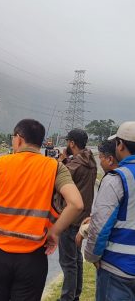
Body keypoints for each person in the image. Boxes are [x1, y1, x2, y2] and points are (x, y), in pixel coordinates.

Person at [0, 119, 84, 301]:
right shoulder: (55, 167)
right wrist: (54, 232)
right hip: (33, 256)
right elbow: (76, 204)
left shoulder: (0, 163)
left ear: (18, 139)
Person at [85, 122, 135, 300]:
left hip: (118, 269)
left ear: (120, 145)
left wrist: (92, 256)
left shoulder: (117, 178)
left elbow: (100, 226)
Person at [57, 128, 97, 301]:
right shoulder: (91, 161)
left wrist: (60, 161)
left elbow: (58, 179)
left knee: (68, 263)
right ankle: (75, 296)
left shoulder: (74, 164)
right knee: (76, 260)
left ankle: (67, 298)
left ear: (72, 143)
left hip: (70, 218)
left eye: (68, 141)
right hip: (82, 219)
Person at [75, 139, 118, 247]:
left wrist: (83, 232)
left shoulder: (112, 180)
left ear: (110, 159)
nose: (100, 162)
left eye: (101, 157)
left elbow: (103, 221)